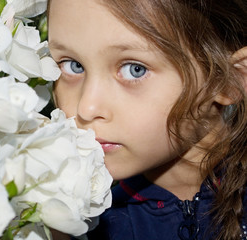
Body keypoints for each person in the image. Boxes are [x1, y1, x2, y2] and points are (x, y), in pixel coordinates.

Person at [47, 0, 247, 239]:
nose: (86, 108)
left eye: (134, 69)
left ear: (229, 80)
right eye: (74, 65)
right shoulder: (87, 227)